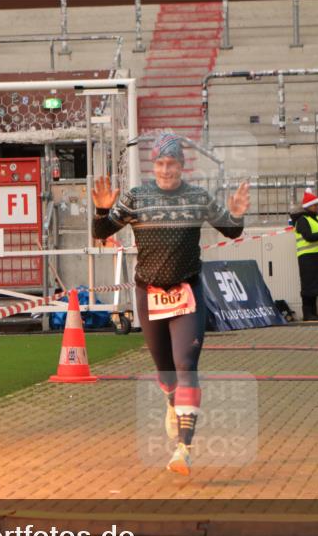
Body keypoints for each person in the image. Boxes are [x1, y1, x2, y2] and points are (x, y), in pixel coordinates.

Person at [91, 132, 250, 476]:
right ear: (154, 165)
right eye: (161, 163)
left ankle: (184, 448)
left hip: (187, 292)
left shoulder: (197, 197)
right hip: (149, 294)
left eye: (172, 163)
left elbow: (231, 232)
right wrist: (102, 209)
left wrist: (236, 216)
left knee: (185, 363)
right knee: (165, 370)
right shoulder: (136, 197)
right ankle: (171, 400)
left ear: (182, 165)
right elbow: (101, 231)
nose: (166, 170)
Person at [290, 188, 318, 321]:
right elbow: (309, 237)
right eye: (314, 205)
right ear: (308, 206)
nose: (317, 207)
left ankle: (313, 313)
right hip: (307, 258)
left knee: (314, 287)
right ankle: (308, 313)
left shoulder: (316, 219)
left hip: (317, 256)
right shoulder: (303, 220)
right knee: (309, 286)